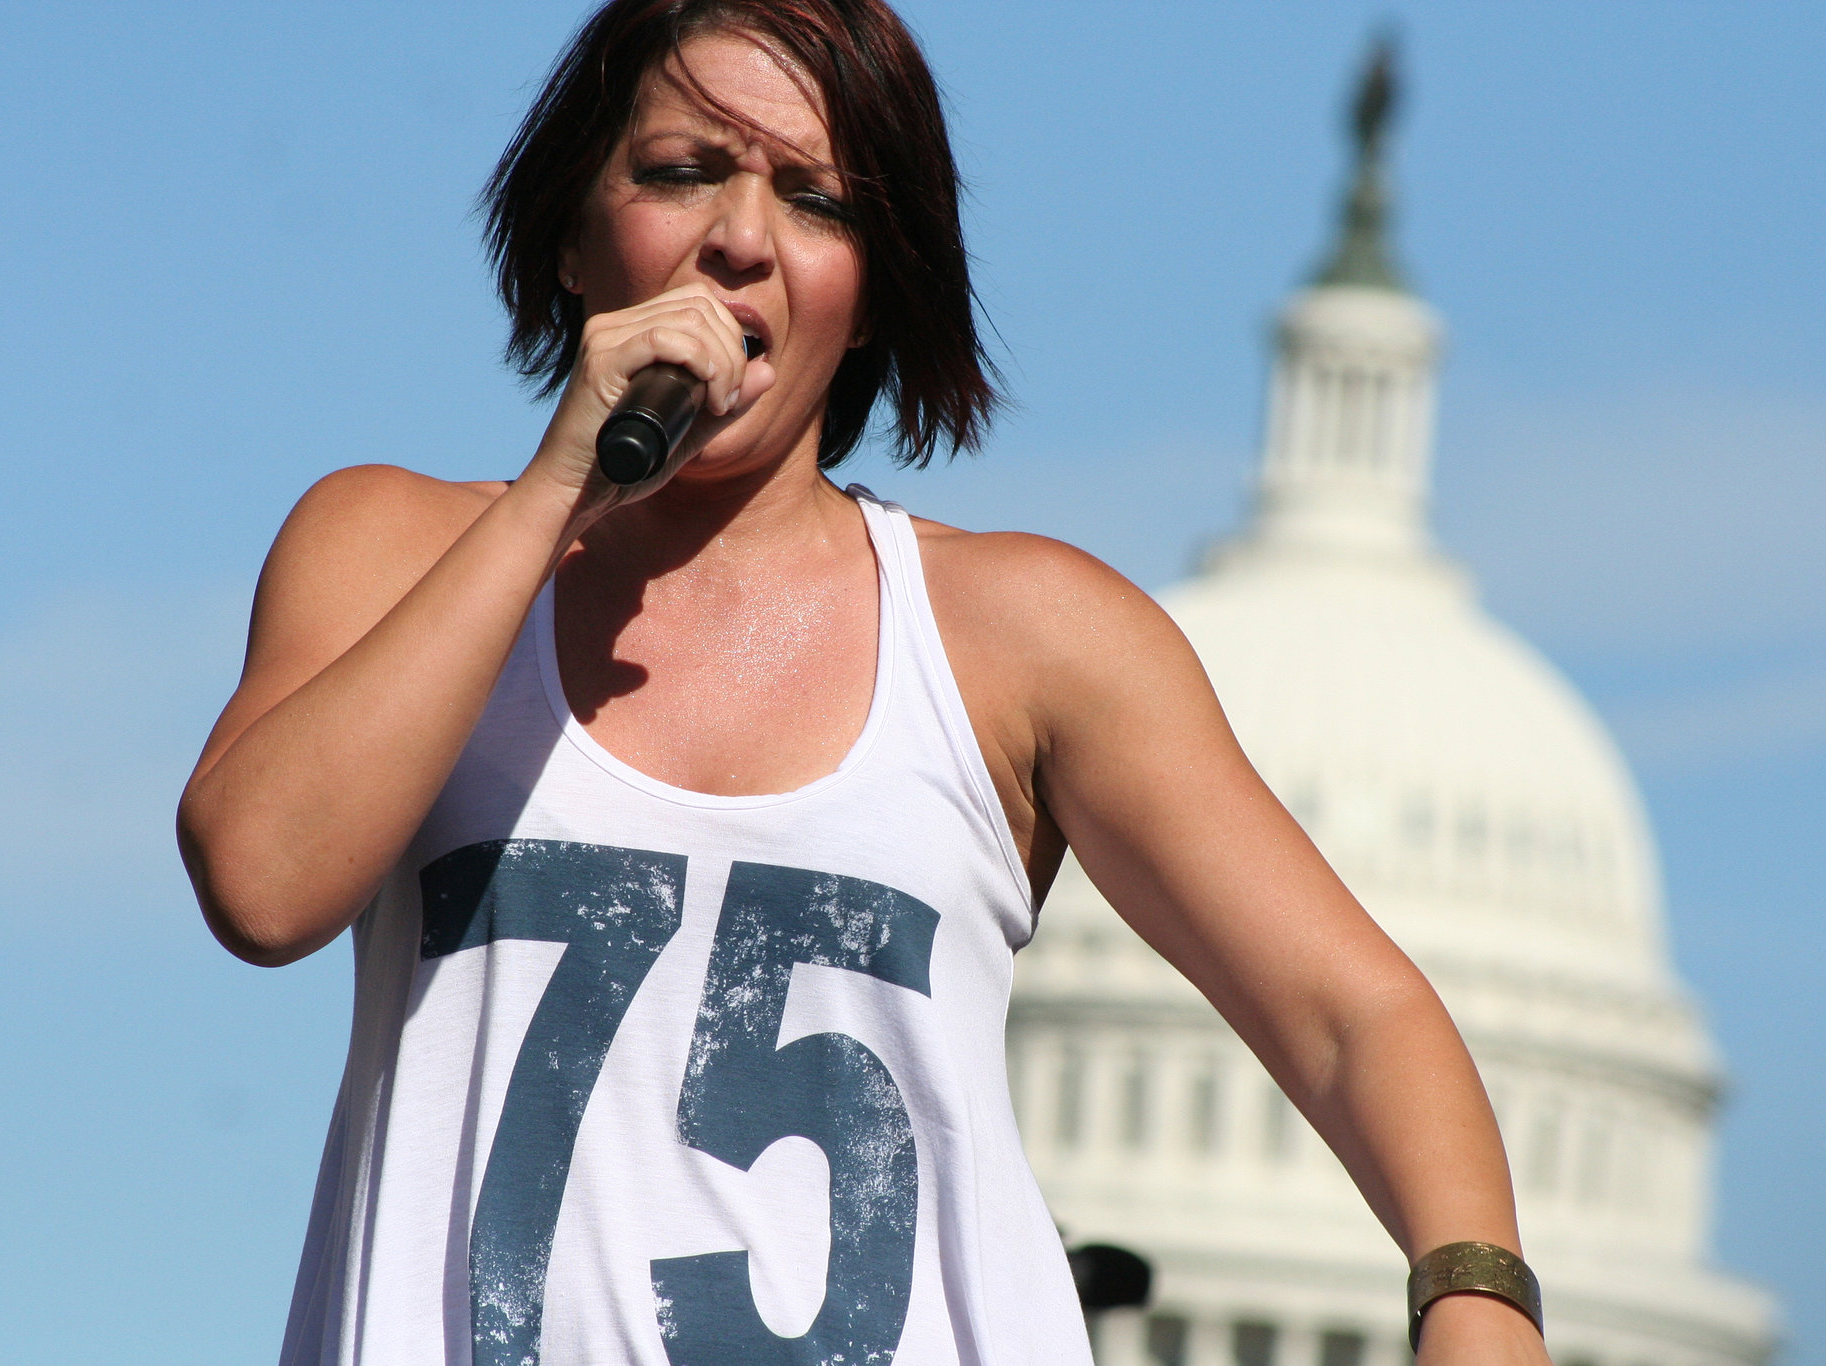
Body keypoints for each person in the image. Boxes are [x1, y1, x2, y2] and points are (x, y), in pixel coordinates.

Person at [176, 2, 1555, 1363]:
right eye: (679, 171)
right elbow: (264, 879)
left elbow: (1351, 1011)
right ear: (567, 233)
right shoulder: (389, 548)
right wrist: (556, 493)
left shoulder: (1024, 634)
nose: (741, 238)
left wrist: (1477, 1291)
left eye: (816, 198)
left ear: (874, 289)